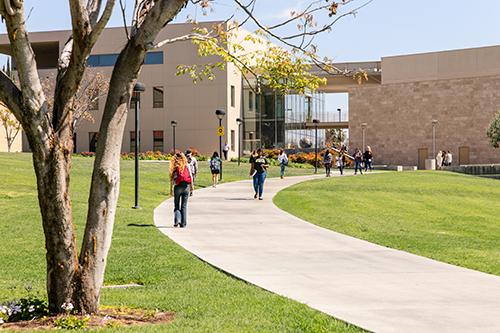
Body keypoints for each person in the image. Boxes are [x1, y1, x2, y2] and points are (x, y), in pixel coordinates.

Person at [169, 152, 193, 228]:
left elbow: (172, 180)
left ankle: (177, 219)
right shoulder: (187, 165)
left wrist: (171, 189)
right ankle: (183, 223)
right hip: (186, 186)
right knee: (184, 206)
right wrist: (192, 187)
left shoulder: (174, 167)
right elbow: (191, 177)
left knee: (176, 205)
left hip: (177, 187)